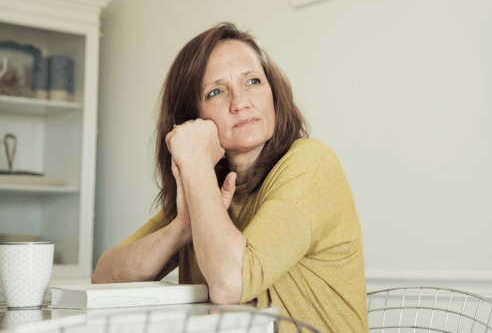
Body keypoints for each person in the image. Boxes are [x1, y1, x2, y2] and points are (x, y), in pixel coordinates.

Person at [92, 22, 368, 332]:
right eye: (216, 92)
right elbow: (104, 277)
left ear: (274, 93)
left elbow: (227, 283)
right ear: (192, 117)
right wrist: (182, 228)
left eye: (252, 81)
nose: (240, 102)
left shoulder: (311, 163)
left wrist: (194, 157)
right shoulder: (206, 190)